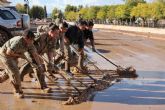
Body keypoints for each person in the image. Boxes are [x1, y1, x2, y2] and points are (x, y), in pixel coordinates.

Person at [0, 29, 45, 98]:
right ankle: (17, 91)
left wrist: (39, 65)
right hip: (6, 55)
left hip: (14, 54)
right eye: (31, 40)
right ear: (25, 38)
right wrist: (20, 56)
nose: (32, 42)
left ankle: (1, 79)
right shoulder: (17, 42)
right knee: (15, 72)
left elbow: (35, 54)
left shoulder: (30, 43)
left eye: (33, 40)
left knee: (9, 71)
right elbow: (8, 52)